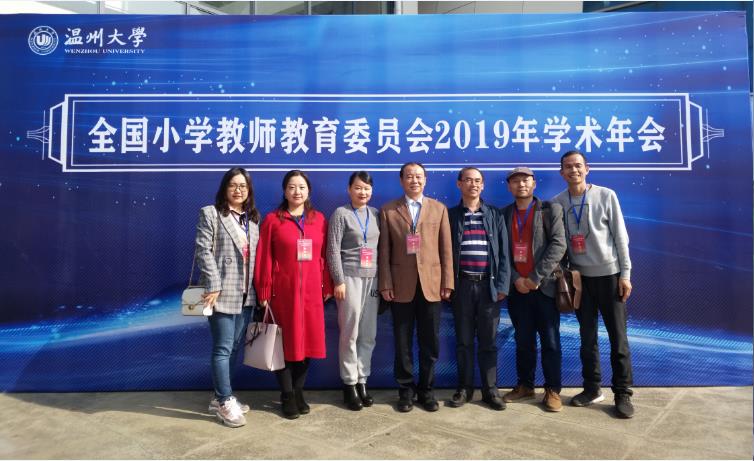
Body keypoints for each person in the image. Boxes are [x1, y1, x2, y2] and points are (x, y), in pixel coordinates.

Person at [553, 150, 635, 418]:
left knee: (618, 338)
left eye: (578, 165)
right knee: (587, 338)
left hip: (610, 276)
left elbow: (621, 237)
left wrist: (625, 274)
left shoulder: (606, 195)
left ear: (587, 169)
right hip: (580, 281)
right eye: (568, 167)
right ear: (561, 172)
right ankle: (592, 388)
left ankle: (622, 393)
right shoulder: (557, 203)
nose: (573, 170)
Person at [254, 170, 333, 420]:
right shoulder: (272, 220)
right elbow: (264, 258)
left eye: (301, 187)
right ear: (284, 191)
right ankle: (287, 394)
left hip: (312, 294)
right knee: (285, 344)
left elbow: (325, 256)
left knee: (307, 342)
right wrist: (263, 290)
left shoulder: (318, 220)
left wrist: (327, 286)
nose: (297, 191)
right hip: (283, 294)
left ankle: (299, 391)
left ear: (308, 191)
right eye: (291, 187)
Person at [378, 162, 454, 413]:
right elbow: (384, 251)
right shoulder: (389, 210)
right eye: (409, 176)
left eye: (419, 176)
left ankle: (427, 390)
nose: (414, 180)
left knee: (429, 342)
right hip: (401, 286)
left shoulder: (439, 209)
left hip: (432, 285)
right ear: (401, 181)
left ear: (425, 180)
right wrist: (386, 283)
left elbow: (446, 249)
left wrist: (447, 282)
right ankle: (406, 390)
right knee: (402, 343)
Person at [195, 167, 260, 428]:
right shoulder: (211, 213)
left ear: (249, 190)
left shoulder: (252, 221)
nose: (238, 190)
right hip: (220, 292)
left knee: (234, 347)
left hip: (246, 294)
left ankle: (219, 396)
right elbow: (203, 250)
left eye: (243, 186)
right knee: (222, 348)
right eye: (233, 185)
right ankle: (224, 401)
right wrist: (213, 284)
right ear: (224, 188)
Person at [501, 166, 567, 412]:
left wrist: (535, 277)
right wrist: (516, 278)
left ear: (534, 183)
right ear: (509, 186)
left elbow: (559, 245)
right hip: (517, 289)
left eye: (525, 180)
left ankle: (552, 390)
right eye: (515, 181)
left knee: (551, 341)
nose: (521, 184)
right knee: (523, 341)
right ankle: (525, 385)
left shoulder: (550, 210)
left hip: (545, 288)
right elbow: (501, 251)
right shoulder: (503, 214)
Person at [447, 167, 511, 411]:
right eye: (468, 180)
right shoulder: (450, 215)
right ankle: (464, 388)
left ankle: (490, 389)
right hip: (462, 285)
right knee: (463, 341)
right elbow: (444, 253)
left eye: (477, 181)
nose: (473, 184)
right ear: (459, 184)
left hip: (489, 286)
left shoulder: (494, 214)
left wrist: (502, 285)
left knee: (488, 342)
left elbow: (504, 254)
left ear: (482, 185)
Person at [326, 171, 380, 411]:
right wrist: (338, 280)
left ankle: (362, 380)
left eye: (367, 188)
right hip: (349, 278)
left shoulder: (376, 214)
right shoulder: (341, 213)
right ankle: (349, 384)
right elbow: (332, 250)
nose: (362, 192)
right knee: (350, 333)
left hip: (373, 279)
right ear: (349, 189)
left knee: (368, 333)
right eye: (358, 187)